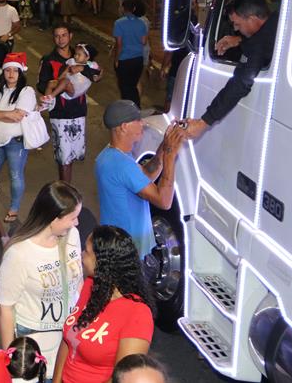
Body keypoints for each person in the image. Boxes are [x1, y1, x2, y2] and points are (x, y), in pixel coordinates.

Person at [0, 182, 85, 367]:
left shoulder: (73, 235)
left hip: (70, 335)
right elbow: (4, 307)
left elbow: (79, 282)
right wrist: (11, 359)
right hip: (36, 341)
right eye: (73, 217)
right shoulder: (19, 253)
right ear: (54, 218)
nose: (77, 222)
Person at [53, 226, 155, 383]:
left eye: (86, 252)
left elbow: (122, 377)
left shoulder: (137, 314)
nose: (81, 255)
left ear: (102, 263)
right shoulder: (91, 285)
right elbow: (68, 339)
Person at [96, 101, 186, 262]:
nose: (142, 123)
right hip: (127, 251)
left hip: (117, 244)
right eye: (137, 120)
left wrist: (164, 147)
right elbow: (164, 201)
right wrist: (171, 155)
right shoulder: (121, 165)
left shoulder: (111, 155)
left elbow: (145, 175)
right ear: (124, 127)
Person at [183, 0, 277, 140]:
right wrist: (240, 40)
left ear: (252, 19)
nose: (235, 29)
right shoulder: (280, 18)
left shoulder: (257, 46)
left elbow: (240, 83)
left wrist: (204, 122)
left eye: (237, 24)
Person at [0, 53, 38, 225]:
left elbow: (18, 117)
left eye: (14, 71)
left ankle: (14, 208)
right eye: (7, 70)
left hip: (16, 142)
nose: (11, 74)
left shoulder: (27, 91)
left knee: (16, 176)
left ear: (20, 72)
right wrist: (8, 114)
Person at [37, 25, 90, 184]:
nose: (61, 39)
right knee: (63, 156)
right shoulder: (48, 59)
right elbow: (41, 85)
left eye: (64, 35)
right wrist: (56, 84)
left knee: (73, 155)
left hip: (79, 111)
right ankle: (66, 190)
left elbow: (95, 75)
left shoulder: (82, 56)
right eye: (57, 36)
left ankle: (66, 188)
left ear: (70, 36)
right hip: (59, 113)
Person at [112, 0, 148, 106]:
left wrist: (116, 59)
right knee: (132, 86)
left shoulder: (119, 23)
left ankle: (128, 111)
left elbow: (119, 44)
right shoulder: (141, 23)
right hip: (138, 59)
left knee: (124, 88)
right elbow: (144, 41)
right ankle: (136, 107)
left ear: (123, 9)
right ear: (134, 9)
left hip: (124, 59)